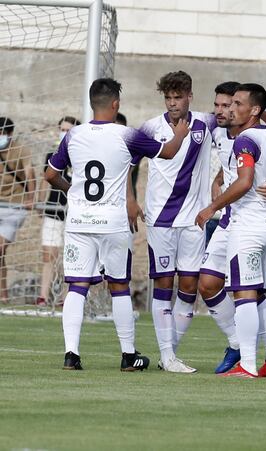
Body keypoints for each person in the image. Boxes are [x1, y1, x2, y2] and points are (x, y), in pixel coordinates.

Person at [45, 77, 190, 371]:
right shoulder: (127, 135)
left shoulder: (73, 135)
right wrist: (180, 133)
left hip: (79, 221)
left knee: (77, 286)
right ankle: (128, 355)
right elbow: (170, 152)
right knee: (119, 285)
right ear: (116, 104)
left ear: (91, 103)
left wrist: (72, 187)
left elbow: (49, 175)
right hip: (112, 222)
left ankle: (71, 354)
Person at [196, 83, 266, 378]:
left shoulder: (245, 139)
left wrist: (211, 207)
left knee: (244, 295)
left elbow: (243, 182)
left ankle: (247, 363)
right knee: (254, 293)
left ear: (254, 110)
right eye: (228, 104)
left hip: (247, 225)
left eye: (237, 104)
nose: (229, 109)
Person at [138, 71, 213, 373]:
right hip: (160, 220)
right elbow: (130, 161)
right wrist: (131, 200)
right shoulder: (150, 128)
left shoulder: (206, 124)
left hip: (194, 219)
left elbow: (238, 123)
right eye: (167, 98)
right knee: (164, 284)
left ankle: (170, 353)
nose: (172, 103)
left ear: (189, 96)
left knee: (190, 286)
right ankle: (168, 356)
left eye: (177, 97)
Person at [37, 116, 81, 307]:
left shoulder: (81, 156)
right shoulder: (51, 155)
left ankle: (66, 297)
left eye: (68, 130)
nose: (64, 133)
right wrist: (39, 202)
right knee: (49, 254)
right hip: (53, 210)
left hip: (74, 213)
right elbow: (44, 180)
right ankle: (43, 296)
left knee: (69, 256)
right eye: (61, 129)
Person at [0, 117, 36, 303]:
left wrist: (31, 197)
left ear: (10, 134)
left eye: (3, 133)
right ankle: (3, 295)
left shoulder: (20, 150)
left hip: (15, 205)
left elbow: (30, 173)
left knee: (0, 247)